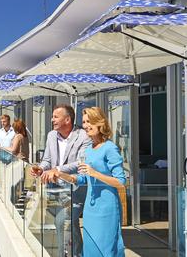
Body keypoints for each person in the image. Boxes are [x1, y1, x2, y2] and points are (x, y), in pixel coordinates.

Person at [45, 107, 126, 257]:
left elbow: (121, 182)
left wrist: (95, 173)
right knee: (90, 249)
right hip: (90, 207)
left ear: (100, 123)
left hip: (107, 208)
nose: (86, 125)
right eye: (84, 122)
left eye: (90, 122)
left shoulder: (110, 148)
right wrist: (61, 174)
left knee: (106, 249)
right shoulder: (89, 149)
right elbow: (83, 178)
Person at [30, 104, 90, 257]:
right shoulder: (51, 135)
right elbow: (47, 160)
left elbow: (80, 163)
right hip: (57, 191)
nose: (52, 119)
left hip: (77, 189)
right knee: (72, 225)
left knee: (61, 222)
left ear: (67, 120)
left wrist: (57, 170)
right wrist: (40, 168)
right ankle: (78, 254)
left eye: (56, 117)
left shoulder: (83, 135)